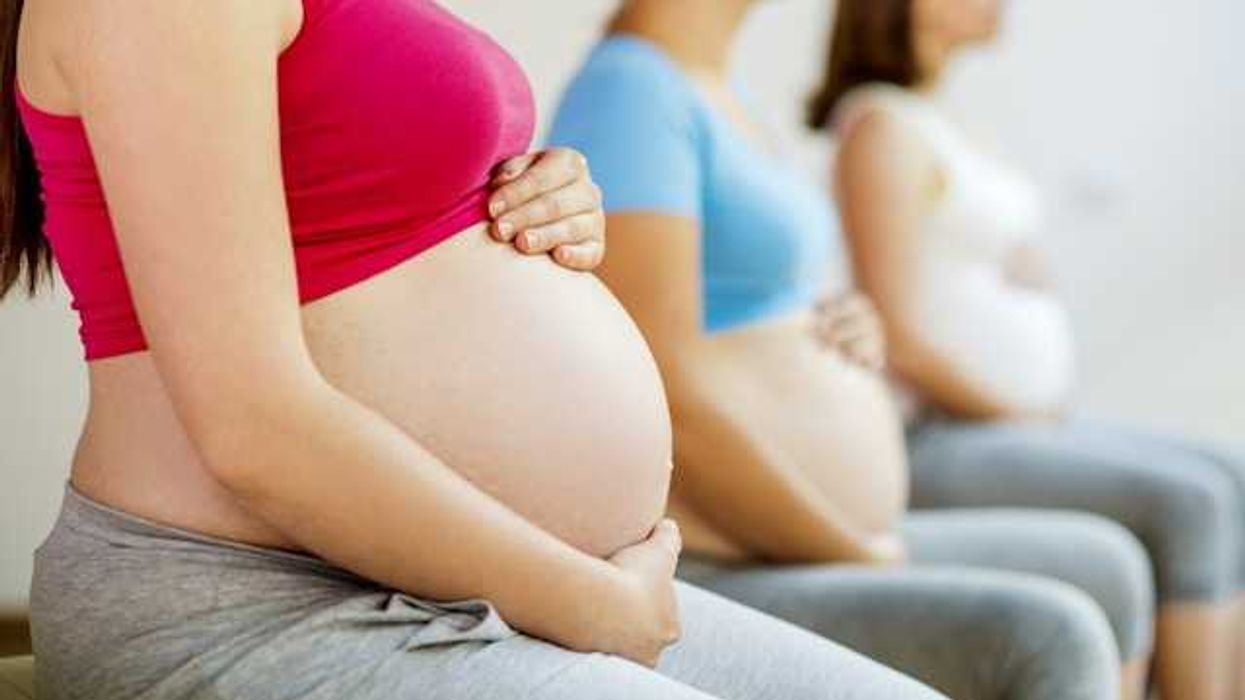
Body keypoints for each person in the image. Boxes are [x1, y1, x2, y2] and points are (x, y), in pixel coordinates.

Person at [1, 0, 957, 698]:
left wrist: (538, 197)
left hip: (456, 569)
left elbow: (354, 189)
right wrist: (592, 606)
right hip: (245, 600)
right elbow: (249, 426)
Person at [548, 1, 1153, 698]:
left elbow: (750, 301)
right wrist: (850, 549)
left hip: (819, 526)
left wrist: (842, 323)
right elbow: (656, 390)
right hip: (732, 548)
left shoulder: (718, 87)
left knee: (1108, 565)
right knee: (1053, 634)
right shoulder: (630, 91)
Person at [808, 1, 1245, 699]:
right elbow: (897, 336)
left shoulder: (937, 121)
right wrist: (1011, 412)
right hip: (939, 433)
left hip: (1007, 418)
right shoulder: (881, 129)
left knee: (1232, 474)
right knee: (1190, 502)